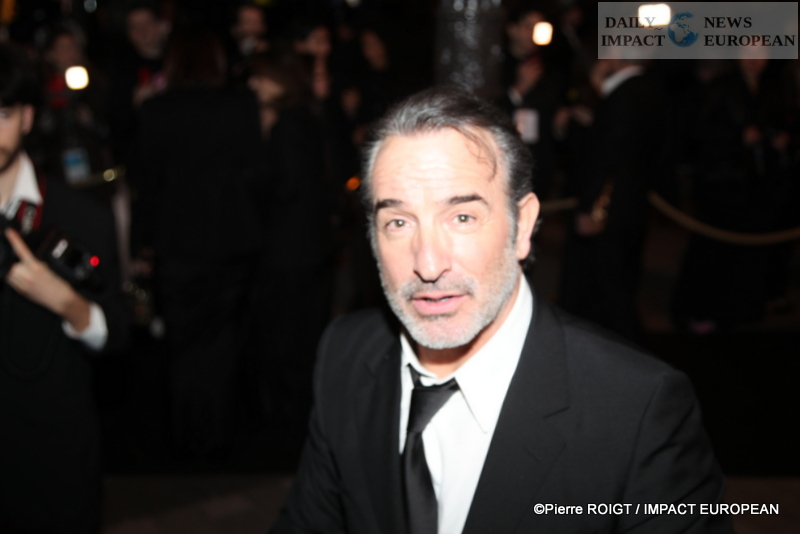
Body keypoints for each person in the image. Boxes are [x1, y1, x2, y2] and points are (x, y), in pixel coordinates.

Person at [270, 86, 730, 534]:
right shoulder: (346, 354)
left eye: (462, 217)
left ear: (522, 225)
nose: (427, 264)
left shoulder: (636, 408)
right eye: (399, 222)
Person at [0, 43, 128, 533]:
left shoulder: (79, 217)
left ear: (27, 118)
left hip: (51, 458)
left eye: (3, 114)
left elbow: (115, 333)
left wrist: (67, 303)